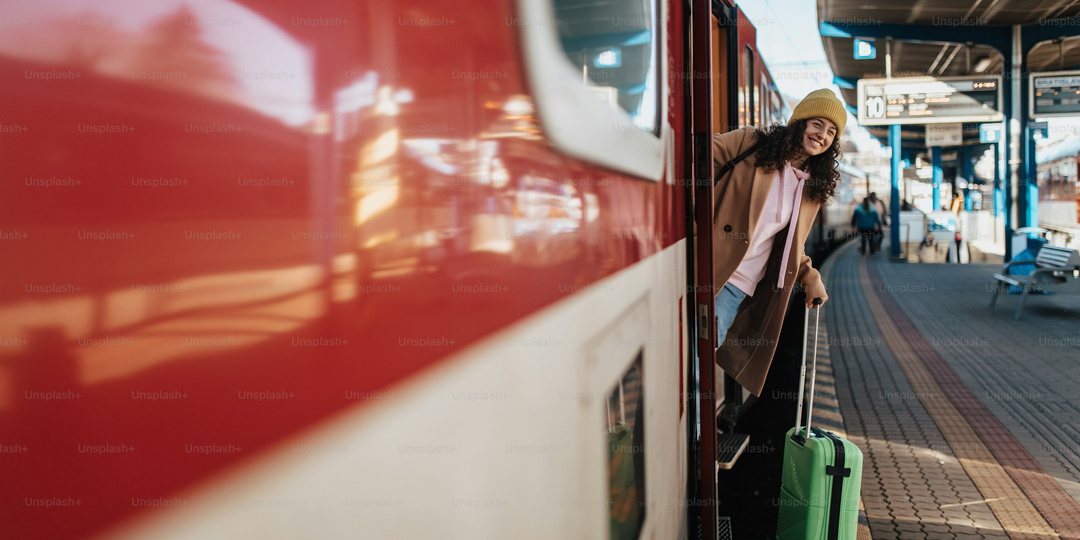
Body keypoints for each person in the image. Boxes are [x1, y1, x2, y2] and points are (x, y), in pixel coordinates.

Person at [710, 88, 843, 398]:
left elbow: (793, 245)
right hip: (703, 262)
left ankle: (688, 425)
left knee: (696, 359)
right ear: (800, 122)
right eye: (817, 124)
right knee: (677, 353)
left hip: (736, 285)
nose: (822, 135)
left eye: (831, 131)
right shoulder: (751, 143)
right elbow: (697, 157)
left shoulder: (811, 189)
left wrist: (810, 277)